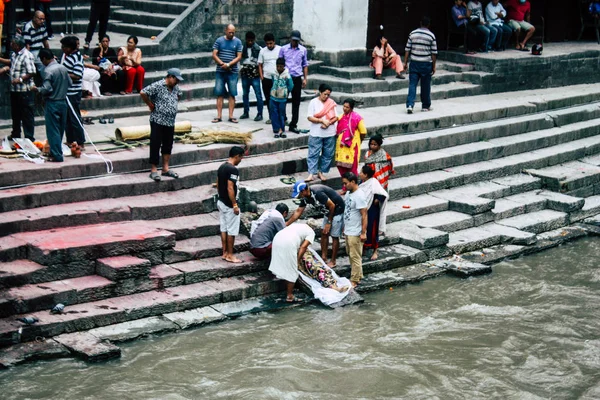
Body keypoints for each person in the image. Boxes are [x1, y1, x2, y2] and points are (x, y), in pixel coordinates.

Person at [288, 181, 345, 268]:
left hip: (337, 209)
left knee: (334, 236)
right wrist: (286, 224)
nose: (299, 196)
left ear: (303, 191)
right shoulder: (305, 197)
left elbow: (332, 205)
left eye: (299, 194)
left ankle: (333, 261)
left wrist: (329, 223)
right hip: (327, 211)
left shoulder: (318, 193)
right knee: (324, 232)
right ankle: (324, 257)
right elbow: (298, 212)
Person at [140, 68, 183, 182]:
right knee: (155, 143)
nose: (177, 82)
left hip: (170, 121)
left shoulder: (175, 87)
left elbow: (179, 95)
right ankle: (154, 170)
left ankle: (165, 168)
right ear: (170, 77)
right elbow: (143, 92)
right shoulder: (159, 85)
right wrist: (150, 104)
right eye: (176, 79)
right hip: (157, 119)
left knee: (168, 145)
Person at [31, 48, 71, 162]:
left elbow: (47, 88)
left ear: (44, 59)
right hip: (63, 102)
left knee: (53, 130)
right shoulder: (63, 67)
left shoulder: (48, 71)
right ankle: (56, 151)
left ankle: (56, 155)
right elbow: (70, 82)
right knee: (60, 129)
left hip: (53, 102)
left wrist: (37, 89)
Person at [0, 36, 36, 141]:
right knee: (15, 114)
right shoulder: (14, 54)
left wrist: (20, 79)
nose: (11, 45)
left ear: (17, 45)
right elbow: (11, 62)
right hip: (15, 90)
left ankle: (29, 137)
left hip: (24, 90)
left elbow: (32, 72)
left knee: (26, 115)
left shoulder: (27, 55)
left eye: (12, 44)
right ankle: (15, 133)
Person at [268, 223, 315, 302]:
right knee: (292, 270)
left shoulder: (298, 225)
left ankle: (286, 286)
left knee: (282, 262)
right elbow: (303, 247)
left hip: (277, 238)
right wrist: (298, 259)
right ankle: (289, 296)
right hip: (289, 241)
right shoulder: (311, 233)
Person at [403, 16, 438, 114]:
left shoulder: (412, 34)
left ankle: (410, 105)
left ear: (420, 23)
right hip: (426, 64)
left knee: (412, 84)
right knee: (425, 85)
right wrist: (434, 66)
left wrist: (405, 63)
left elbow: (407, 49)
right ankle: (425, 106)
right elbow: (434, 53)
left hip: (414, 63)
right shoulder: (431, 36)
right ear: (429, 24)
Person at [217, 146, 245, 264]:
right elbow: (230, 187)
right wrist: (234, 205)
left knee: (224, 228)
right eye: (241, 157)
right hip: (229, 205)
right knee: (231, 230)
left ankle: (224, 253)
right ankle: (230, 255)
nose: (241, 160)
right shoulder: (233, 170)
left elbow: (218, 183)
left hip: (221, 201)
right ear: (237, 156)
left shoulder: (222, 166)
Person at [211, 24, 243, 124]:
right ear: (225, 30)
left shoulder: (238, 42)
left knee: (232, 94)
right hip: (220, 71)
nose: (231, 34)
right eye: (230, 32)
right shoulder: (219, 40)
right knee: (219, 93)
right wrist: (221, 64)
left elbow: (239, 57)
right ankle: (219, 116)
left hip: (232, 72)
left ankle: (231, 116)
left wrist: (229, 64)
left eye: (233, 32)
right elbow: (214, 54)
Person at [279, 30, 308, 134]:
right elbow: (280, 63)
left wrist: (305, 78)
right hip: (286, 78)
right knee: (282, 101)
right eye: (293, 40)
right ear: (290, 39)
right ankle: (282, 123)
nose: (295, 42)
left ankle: (293, 124)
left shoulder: (303, 50)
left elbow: (305, 65)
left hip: (297, 78)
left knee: (296, 102)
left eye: (297, 41)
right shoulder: (283, 49)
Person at [306, 83, 337, 182]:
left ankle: (321, 172)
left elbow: (336, 116)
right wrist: (321, 121)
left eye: (328, 95)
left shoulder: (331, 103)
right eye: (325, 94)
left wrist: (329, 123)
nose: (326, 96)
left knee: (327, 154)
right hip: (316, 132)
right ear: (320, 92)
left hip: (329, 132)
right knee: (313, 153)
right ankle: (311, 173)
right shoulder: (313, 102)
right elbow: (310, 117)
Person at [341, 172, 368, 288]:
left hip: (355, 231)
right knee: (350, 254)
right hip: (348, 229)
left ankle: (355, 280)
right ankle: (358, 275)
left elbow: (364, 215)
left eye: (346, 183)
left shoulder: (360, 196)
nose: (344, 186)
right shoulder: (348, 193)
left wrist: (363, 232)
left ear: (353, 182)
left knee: (355, 256)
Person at [359, 165, 388, 261]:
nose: (359, 174)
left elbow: (383, 194)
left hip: (372, 211)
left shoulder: (374, 182)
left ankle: (375, 250)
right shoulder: (361, 183)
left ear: (366, 175)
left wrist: (377, 199)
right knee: (363, 229)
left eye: (361, 172)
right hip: (363, 210)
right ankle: (363, 248)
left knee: (373, 230)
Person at [60, 35, 85, 147]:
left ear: (69, 48)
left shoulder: (77, 58)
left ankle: (80, 141)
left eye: (64, 47)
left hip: (73, 93)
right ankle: (70, 139)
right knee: (67, 118)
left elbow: (77, 75)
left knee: (75, 118)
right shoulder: (67, 56)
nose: (62, 48)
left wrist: (63, 73)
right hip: (66, 92)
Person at [335, 98, 366, 181]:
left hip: (352, 147)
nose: (344, 108)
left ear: (351, 108)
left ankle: (353, 187)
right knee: (340, 166)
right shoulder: (341, 116)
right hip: (341, 146)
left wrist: (359, 141)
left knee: (352, 168)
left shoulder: (357, 118)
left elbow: (363, 132)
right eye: (344, 106)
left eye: (347, 107)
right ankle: (346, 186)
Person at [239, 31, 263, 121]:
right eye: (248, 40)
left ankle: (260, 113)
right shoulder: (242, 48)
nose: (250, 42)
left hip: (255, 74)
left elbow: (261, 62)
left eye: (251, 41)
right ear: (246, 40)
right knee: (245, 94)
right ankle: (246, 112)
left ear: (254, 40)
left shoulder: (259, 49)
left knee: (258, 94)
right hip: (245, 73)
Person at [258, 32, 281, 125]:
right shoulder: (262, 51)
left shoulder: (280, 49)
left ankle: (283, 117)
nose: (269, 45)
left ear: (274, 42)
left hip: (277, 78)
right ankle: (271, 117)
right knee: (269, 99)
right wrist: (261, 76)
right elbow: (260, 64)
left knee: (279, 98)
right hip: (266, 79)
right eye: (267, 43)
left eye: (271, 43)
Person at [269, 57, 293, 138]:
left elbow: (291, 86)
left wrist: (285, 93)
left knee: (281, 114)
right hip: (273, 97)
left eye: (280, 67)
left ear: (284, 66)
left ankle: (282, 130)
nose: (279, 68)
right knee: (274, 114)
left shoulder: (287, 75)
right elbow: (272, 82)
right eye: (277, 66)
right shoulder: (274, 74)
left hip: (282, 99)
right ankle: (276, 130)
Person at [22, 10, 49, 77]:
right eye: (40, 19)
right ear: (34, 18)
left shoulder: (43, 26)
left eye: (43, 19)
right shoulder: (28, 27)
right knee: (42, 65)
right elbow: (27, 45)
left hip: (40, 49)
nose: (42, 21)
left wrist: (49, 53)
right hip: (32, 51)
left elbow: (45, 42)